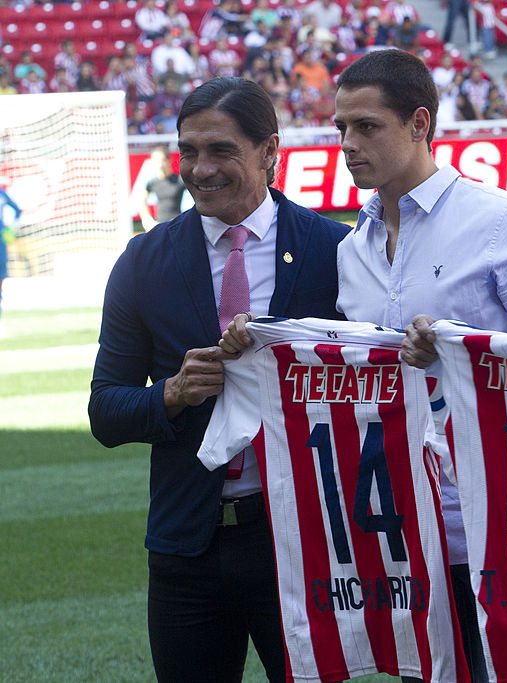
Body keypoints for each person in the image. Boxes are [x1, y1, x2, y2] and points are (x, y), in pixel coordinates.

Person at [221, 49, 507, 683]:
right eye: (341, 127)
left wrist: (459, 347)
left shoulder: (500, 222)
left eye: (366, 126)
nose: (348, 143)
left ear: (419, 124)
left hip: (499, 529)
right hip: (399, 532)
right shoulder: (352, 249)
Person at [89, 77, 350, 683]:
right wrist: (172, 394)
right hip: (188, 550)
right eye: (189, 151)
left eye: (221, 151)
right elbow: (106, 411)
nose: (200, 169)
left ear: (269, 151)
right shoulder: (143, 261)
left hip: (303, 542)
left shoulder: (335, 250)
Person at [138, 146, 188, 230]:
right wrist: (147, 221)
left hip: (178, 225)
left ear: (169, 160)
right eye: (156, 161)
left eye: (162, 160)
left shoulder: (179, 180)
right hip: (160, 225)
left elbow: (197, 196)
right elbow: (141, 202)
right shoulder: (152, 183)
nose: (160, 164)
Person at [0, 182, 22, 322]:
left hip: (0, 239)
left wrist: (11, 229)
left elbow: (17, 210)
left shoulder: (2, 193)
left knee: (1, 274)